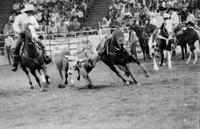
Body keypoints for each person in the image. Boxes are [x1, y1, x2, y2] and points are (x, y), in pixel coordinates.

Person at [12, 4, 51, 72]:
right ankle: (15, 63)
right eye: (30, 11)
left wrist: (33, 27)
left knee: (41, 44)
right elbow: (15, 25)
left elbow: (37, 25)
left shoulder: (32, 17)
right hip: (23, 35)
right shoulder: (19, 17)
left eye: (31, 11)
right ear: (27, 11)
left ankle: (45, 57)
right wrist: (20, 31)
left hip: (33, 34)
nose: (31, 13)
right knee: (17, 47)